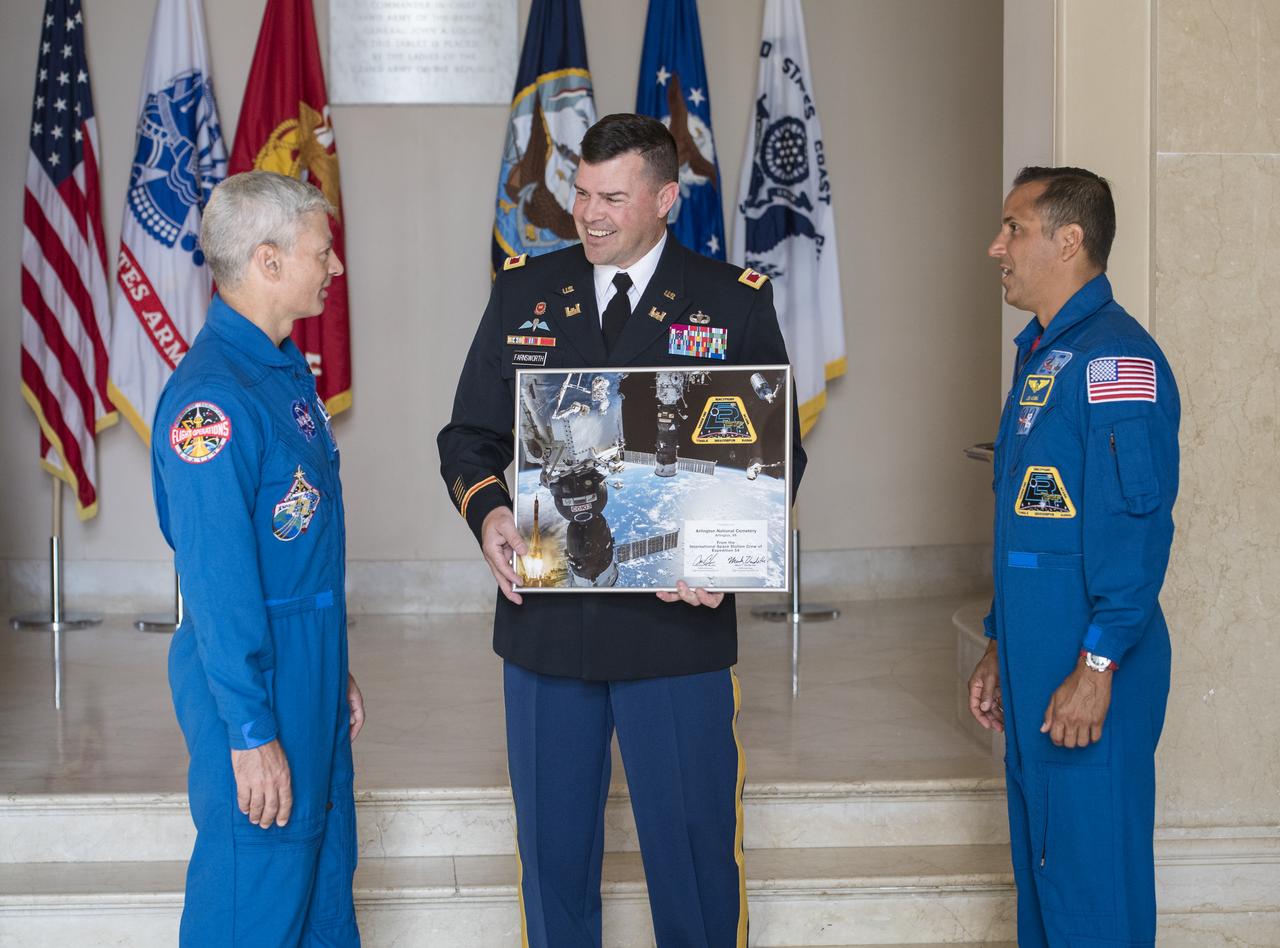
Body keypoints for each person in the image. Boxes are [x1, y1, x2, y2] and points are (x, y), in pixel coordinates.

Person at [438, 113, 806, 946]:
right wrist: (492, 513)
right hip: (547, 637)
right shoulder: (523, 291)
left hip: (676, 630)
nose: (588, 212)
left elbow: (775, 453)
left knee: (695, 860)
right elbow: (468, 437)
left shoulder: (729, 301)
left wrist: (726, 560)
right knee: (553, 863)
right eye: (579, 191)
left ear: (666, 198)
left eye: (612, 195)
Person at [152, 170, 363, 947]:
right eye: (322, 250)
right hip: (253, 679)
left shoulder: (280, 375)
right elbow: (218, 582)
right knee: (255, 895)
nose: (334, 266)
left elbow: (295, 551)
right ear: (268, 262)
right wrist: (248, 727)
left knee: (319, 891)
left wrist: (331, 661)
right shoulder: (212, 402)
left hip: (303, 665)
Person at [969, 166, 1180, 947]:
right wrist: (998, 641)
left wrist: (1097, 667)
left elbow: (1135, 531)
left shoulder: (1116, 363)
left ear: (1070, 239)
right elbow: (1031, 535)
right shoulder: (1045, 356)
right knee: (1048, 879)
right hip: (1036, 659)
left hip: (1091, 666)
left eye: (1014, 229)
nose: (997, 246)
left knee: (1094, 889)